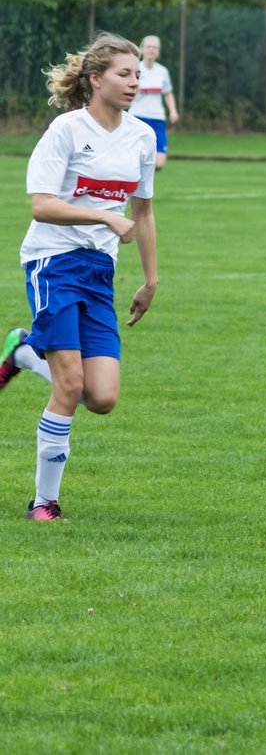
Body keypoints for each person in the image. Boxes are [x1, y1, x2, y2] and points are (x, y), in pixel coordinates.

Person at [0, 32, 159, 521]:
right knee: (69, 386)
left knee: (102, 398)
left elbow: (145, 212)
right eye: (124, 74)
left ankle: (24, 351)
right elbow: (43, 206)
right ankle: (44, 503)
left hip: (99, 270)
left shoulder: (142, 136)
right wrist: (104, 218)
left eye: (138, 74)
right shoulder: (66, 130)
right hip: (53, 262)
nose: (134, 82)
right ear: (95, 79)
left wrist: (151, 279)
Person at [128, 35, 179, 171]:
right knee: (134, 158)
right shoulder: (134, 68)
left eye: (155, 47)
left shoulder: (162, 71)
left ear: (158, 51)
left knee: (159, 163)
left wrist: (173, 111)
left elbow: (168, 93)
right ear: (142, 50)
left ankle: (140, 174)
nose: (151, 50)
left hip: (157, 118)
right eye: (149, 47)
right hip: (137, 117)